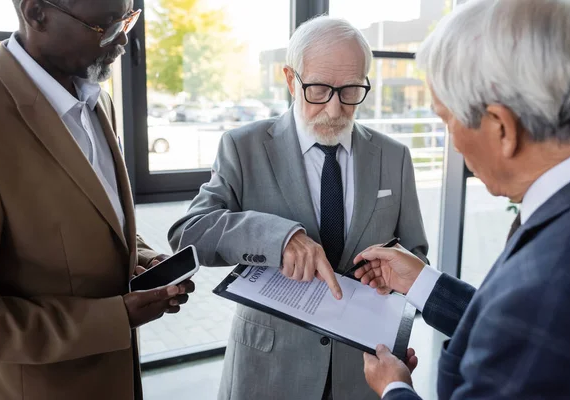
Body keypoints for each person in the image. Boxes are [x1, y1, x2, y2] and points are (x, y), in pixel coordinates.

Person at [169, 15, 429, 400]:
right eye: (320, 89)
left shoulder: (394, 156)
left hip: (363, 373)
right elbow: (189, 232)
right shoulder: (243, 147)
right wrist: (279, 238)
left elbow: (416, 254)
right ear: (292, 80)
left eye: (351, 89)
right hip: (268, 371)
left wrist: (392, 286)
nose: (336, 108)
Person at [357, 0, 570, 398]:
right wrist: (422, 283)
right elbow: (515, 336)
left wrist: (395, 389)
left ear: (501, 127)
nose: (451, 141)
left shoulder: (548, 278)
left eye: (446, 120)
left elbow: (527, 320)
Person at [0, 0, 195, 399]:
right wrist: (113, 318)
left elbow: (98, 217)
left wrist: (143, 259)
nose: (124, 39)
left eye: (128, 18)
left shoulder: (98, 101)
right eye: (106, 26)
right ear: (37, 13)